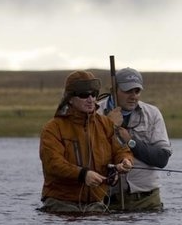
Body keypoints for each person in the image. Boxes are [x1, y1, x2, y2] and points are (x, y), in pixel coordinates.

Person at [39, 70, 133, 213]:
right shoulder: (52, 128)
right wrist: (83, 174)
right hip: (60, 205)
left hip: (97, 204)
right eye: (83, 95)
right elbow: (53, 164)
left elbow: (121, 150)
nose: (90, 99)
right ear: (70, 98)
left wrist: (125, 161)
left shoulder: (106, 124)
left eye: (93, 94)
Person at [97, 67, 172, 211]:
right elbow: (89, 153)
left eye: (137, 91)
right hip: (105, 202)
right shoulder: (96, 112)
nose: (133, 96)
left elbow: (162, 159)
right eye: (127, 91)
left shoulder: (153, 114)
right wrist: (108, 125)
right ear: (114, 89)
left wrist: (130, 141)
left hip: (147, 201)